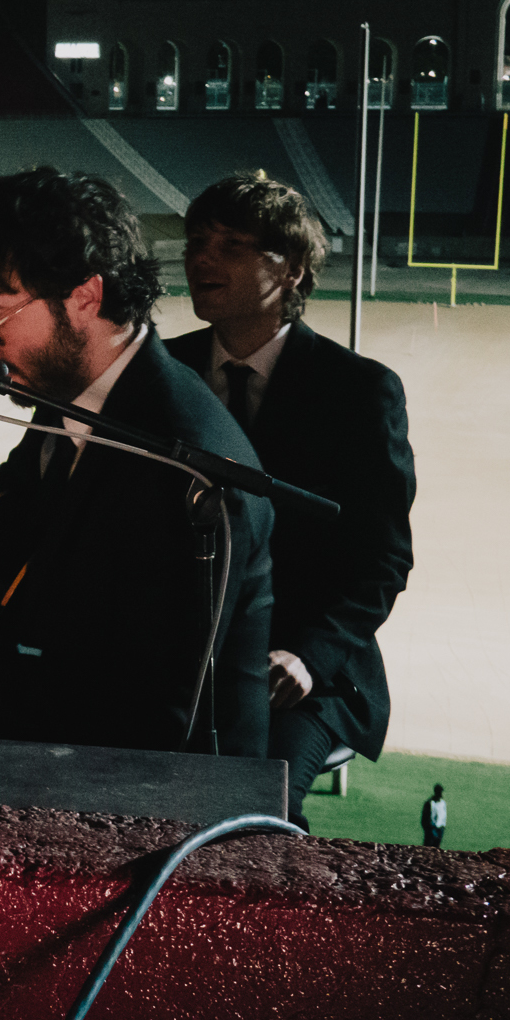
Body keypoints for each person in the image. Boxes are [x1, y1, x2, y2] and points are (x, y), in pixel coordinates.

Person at [0, 168, 274, 757]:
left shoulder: (184, 467)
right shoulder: (68, 390)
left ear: (85, 298)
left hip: (158, 812)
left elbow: (147, 719)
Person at [165, 172, 415, 830]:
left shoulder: (360, 392)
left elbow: (383, 559)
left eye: (231, 245)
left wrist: (307, 656)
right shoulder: (162, 374)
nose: (201, 258)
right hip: (176, 665)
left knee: (254, 812)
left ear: (294, 269)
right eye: (196, 241)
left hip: (301, 674)